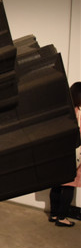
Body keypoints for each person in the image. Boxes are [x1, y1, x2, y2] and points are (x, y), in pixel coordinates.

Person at [49, 81, 81, 227]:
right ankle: (62, 218)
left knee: (56, 184)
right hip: (73, 154)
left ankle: (54, 214)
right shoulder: (77, 113)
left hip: (58, 152)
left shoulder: (62, 109)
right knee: (69, 185)